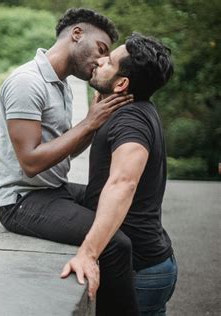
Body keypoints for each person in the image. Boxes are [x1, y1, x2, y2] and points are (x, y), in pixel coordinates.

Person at [0, 8, 138, 315]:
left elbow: (64, 150)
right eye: (101, 50)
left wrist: (93, 122)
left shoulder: (63, 84)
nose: (101, 61)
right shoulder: (26, 82)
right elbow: (30, 162)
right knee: (115, 244)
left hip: (53, 190)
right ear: (76, 34)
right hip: (21, 201)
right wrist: (89, 124)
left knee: (121, 206)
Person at [61, 33, 177, 315]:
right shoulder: (136, 108)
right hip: (152, 263)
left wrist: (88, 253)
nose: (100, 60)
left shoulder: (130, 120)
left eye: (109, 61)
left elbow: (123, 183)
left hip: (141, 270)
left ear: (122, 83)